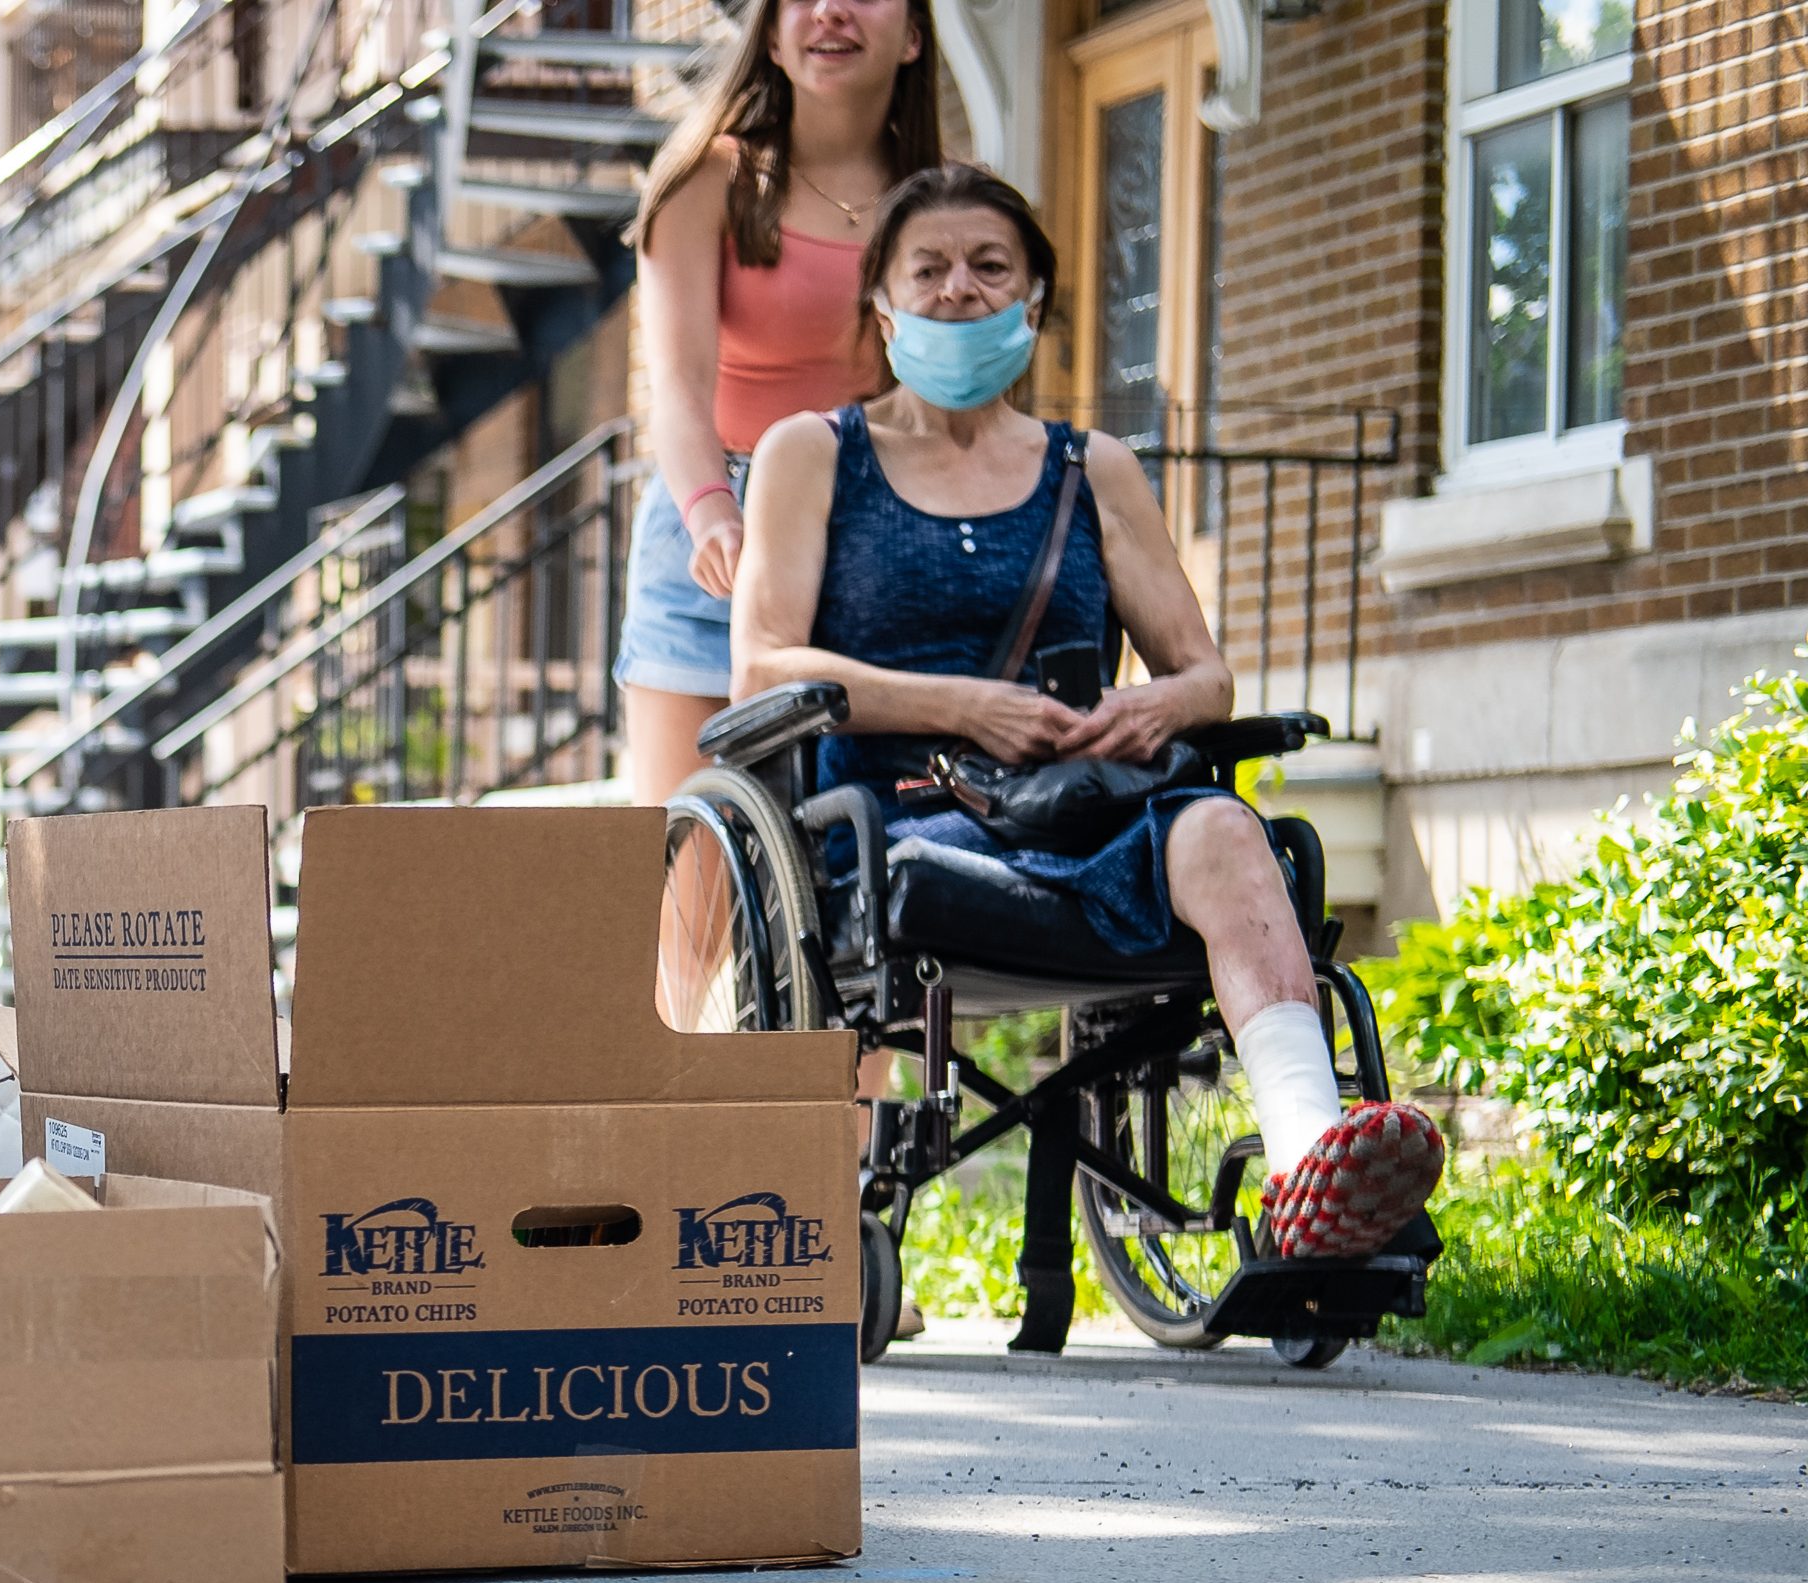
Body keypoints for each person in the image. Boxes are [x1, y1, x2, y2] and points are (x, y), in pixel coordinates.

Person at [727, 165, 1443, 1260]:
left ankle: (1305, 1160)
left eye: (989, 268)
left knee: (1222, 829)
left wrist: (1149, 708)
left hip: (1078, 807)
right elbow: (761, 666)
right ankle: (1308, 1174)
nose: (959, 289)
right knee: (1171, 828)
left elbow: (1207, 677)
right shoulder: (814, 455)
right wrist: (966, 706)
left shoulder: (1092, 468)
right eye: (929, 268)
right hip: (898, 824)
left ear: (1034, 302)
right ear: (881, 301)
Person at [617, 0, 939, 836]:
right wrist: (710, 516)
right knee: (686, 877)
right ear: (769, 31)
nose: (829, 11)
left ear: (912, 35)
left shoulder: (941, 202)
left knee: (854, 863)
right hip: (713, 528)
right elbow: (678, 394)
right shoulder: (707, 178)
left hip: (866, 532)